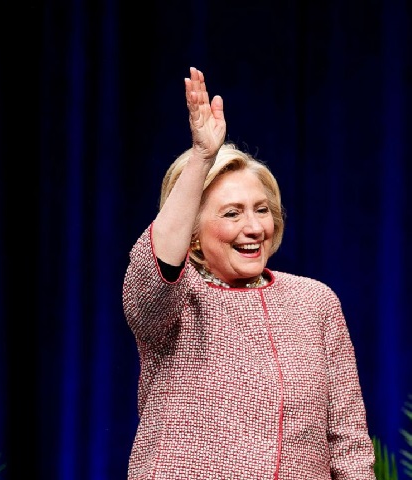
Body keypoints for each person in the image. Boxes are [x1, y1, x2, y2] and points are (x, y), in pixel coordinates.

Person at [121, 67, 374, 479]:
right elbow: (155, 270)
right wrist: (203, 156)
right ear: (194, 235)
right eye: (232, 213)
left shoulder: (315, 301)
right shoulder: (176, 301)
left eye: (261, 210)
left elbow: (347, 440)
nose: (255, 227)